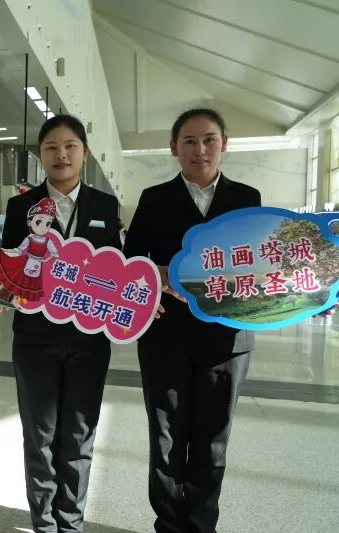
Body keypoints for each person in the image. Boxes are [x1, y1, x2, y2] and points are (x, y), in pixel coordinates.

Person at [123, 108, 261, 533]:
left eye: (209, 140)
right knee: (166, 437)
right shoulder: (153, 199)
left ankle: (202, 526)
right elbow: (132, 262)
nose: (200, 149)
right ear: (173, 148)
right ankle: (168, 525)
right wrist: (156, 276)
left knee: (212, 440)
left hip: (227, 340)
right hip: (166, 336)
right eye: (189, 141)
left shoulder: (247, 199)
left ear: (224, 144)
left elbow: (260, 262)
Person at [0, 114, 121, 532]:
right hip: (35, 339)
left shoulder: (105, 206)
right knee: (40, 435)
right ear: (41, 155)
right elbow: (11, 265)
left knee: (79, 435)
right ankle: (44, 523)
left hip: (90, 340)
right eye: (52, 147)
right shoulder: (22, 207)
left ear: (84, 152)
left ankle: (70, 522)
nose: (61, 154)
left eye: (70, 146)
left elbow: (118, 267)